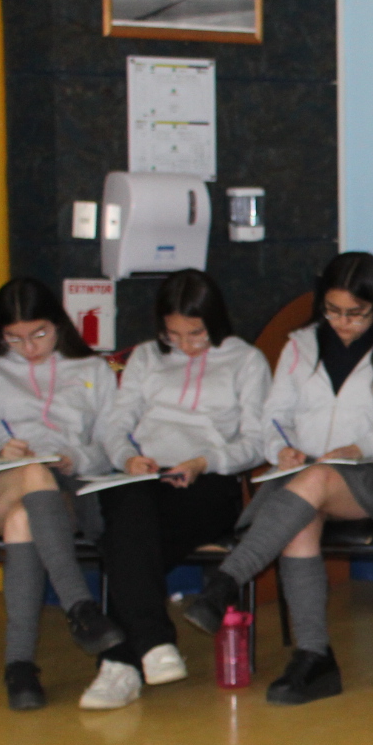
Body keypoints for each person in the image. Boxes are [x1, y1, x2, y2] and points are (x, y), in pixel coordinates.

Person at [181, 253, 373, 705]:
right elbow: (273, 418)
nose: (343, 323)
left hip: (370, 477)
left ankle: (226, 581)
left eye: (355, 313)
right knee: (301, 518)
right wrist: (280, 449)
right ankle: (314, 657)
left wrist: (364, 447)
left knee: (314, 483)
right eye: (332, 311)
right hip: (304, 478)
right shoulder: (299, 346)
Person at [84, 270, 271, 710]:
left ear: (215, 322)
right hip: (145, 476)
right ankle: (153, 645)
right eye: (174, 335)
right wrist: (127, 457)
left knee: (127, 542)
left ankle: (120, 661)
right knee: (130, 509)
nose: (185, 345)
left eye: (196, 334)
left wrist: (205, 461)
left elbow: (256, 441)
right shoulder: (146, 357)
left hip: (208, 480)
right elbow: (115, 423)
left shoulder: (246, 360)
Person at [0, 279, 122, 709]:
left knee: (24, 520)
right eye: (14, 338)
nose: (29, 348)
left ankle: (19, 665)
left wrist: (75, 457)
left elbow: (112, 447)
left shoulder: (92, 369)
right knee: (30, 474)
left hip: (65, 488)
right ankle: (80, 606)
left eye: (39, 334)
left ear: (59, 324)